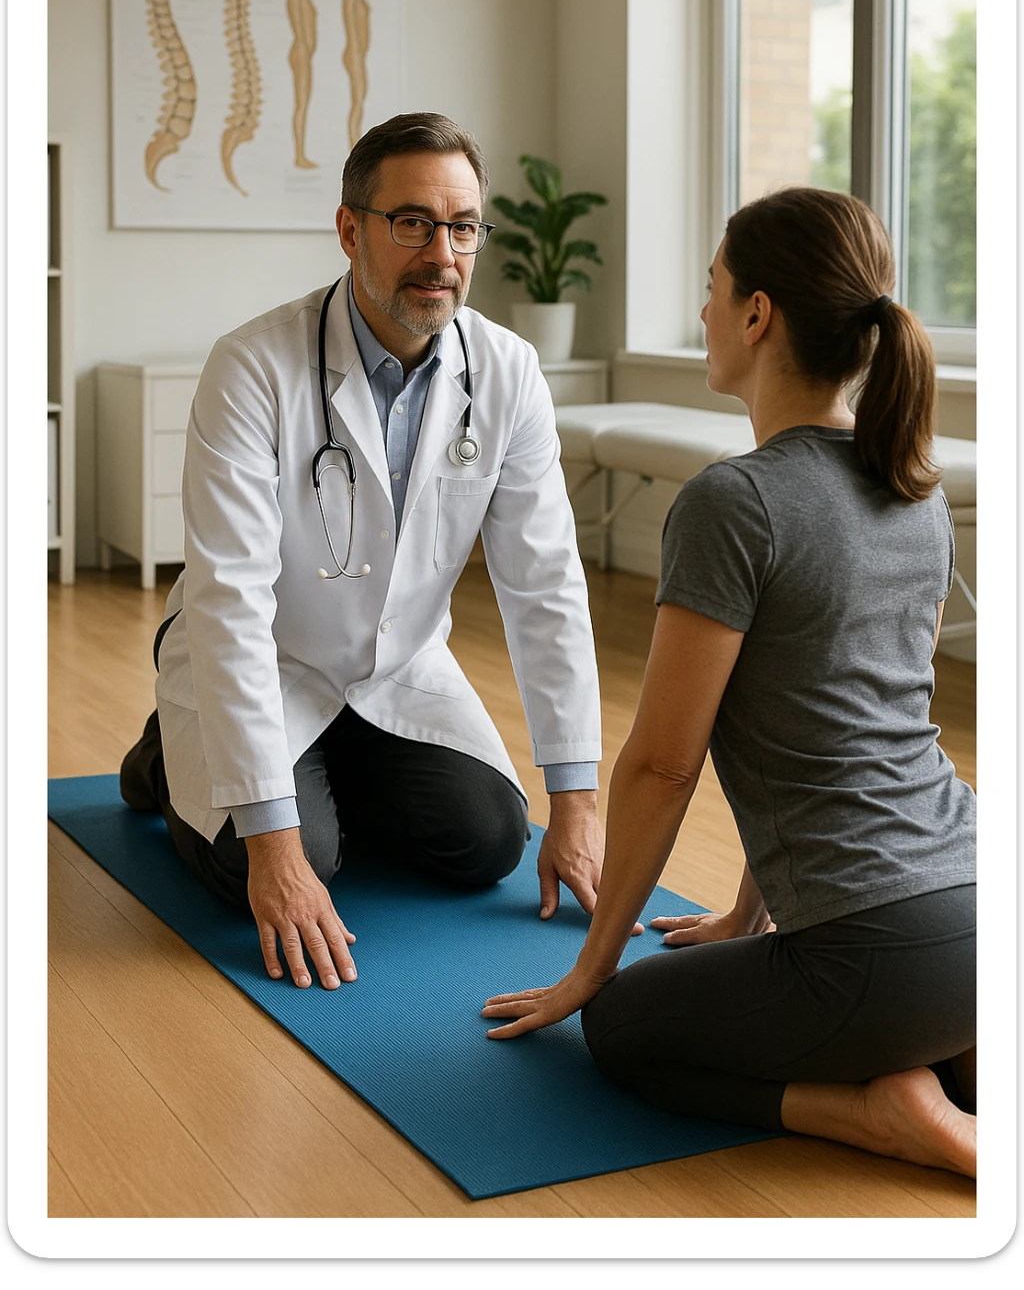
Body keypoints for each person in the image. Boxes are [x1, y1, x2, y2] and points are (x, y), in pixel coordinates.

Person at [483, 186, 978, 1179]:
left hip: (874, 955)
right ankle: (934, 1064)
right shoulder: (916, 496)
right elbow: (850, 721)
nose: (703, 311)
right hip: (981, 917)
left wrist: (591, 970)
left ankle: (881, 1112)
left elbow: (664, 764)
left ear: (757, 315)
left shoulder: (733, 502)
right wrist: (743, 919)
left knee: (624, 1031)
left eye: (710, 288)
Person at [120, 111, 608, 994]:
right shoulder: (253, 367)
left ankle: (327, 765)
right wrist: (274, 849)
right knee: (278, 863)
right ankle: (166, 753)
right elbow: (230, 599)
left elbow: (545, 584)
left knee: (491, 839)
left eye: (463, 227)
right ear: (351, 229)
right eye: (413, 222)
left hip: (395, 663)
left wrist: (575, 802)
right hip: (260, 655)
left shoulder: (508, 373)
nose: (442, 255)